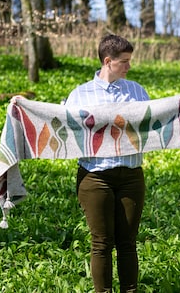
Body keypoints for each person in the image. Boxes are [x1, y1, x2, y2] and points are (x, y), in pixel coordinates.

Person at [64, 34, 150, 293]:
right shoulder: (80, 95)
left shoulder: (137, 90)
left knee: (128, 242)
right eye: (124, 61)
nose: (129, 67)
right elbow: (63, 127)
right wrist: (22, 108)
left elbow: (155, 121)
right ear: (108, 61)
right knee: (101, 242)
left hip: (131, 176)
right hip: (94, 177)